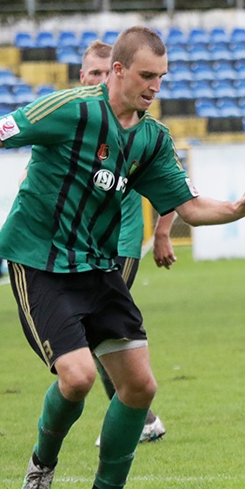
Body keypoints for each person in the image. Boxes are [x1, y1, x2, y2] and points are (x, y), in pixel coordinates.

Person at [0, 25, 245, 489]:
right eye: (146, 75)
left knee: (139, 387)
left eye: (161, 77)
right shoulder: (71, 110)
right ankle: (41, 466)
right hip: (41, 265)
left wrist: (241, 207)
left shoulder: (151, 138)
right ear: (117, 71)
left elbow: (187, 206)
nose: (155, 87)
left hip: (98, 269)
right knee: (76, 378)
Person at [80, 39, 171, 445]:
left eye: (105, 71)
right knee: (96, 333)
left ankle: (134, 415)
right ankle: (140, 413)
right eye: (93, 74)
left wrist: (164, 231)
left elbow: (175, 188)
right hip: (79, 246)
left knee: (100, 330)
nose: (100, 79)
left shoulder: (140, 129)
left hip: (122, 241)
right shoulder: (78, 120)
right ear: (83, 78)